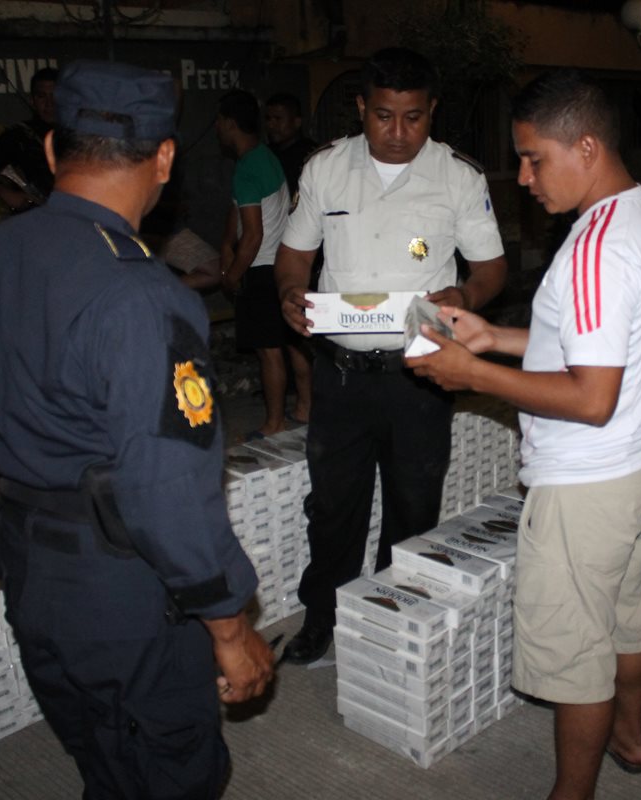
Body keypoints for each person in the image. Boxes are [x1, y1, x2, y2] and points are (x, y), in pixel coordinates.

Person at [0, 60, 274, 799]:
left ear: (53, 152)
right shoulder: (142, 298)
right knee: (171, 765)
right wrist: (228, 626)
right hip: (120, 587)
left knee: (99, 752)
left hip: (28, 570)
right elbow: (166, 488)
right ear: (165, 158)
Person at [405, 70, 641, 800]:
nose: (522, 178)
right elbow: (591, 347)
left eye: (533, 158)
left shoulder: (594, 252)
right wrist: (493, 336)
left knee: (576, 656)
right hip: (635, 469)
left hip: (585, 487)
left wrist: (470, 373)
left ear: (585, 147)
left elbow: (590, 397)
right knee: (626, 619)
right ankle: (630, 736)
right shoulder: (639, 215)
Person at [274, 46, 508, 664]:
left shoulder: (459, 177)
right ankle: (321, 619)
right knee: (332, 508)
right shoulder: (324, 169)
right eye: (383, 116)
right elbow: (295, 253)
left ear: (432, 112)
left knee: (413, 504)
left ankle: (387, 620)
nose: (398, 132)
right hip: (342, 375)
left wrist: (466, 293)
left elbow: (491, 267)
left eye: (413, 117)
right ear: (360, 108)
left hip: (421, 374)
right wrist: (289, 291)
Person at [215, 89, 311, 437]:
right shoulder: (264, 157)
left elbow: (252, 234)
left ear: (228, 124)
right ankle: (304, 406)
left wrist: (231, 275)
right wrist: (227, 245)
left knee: (269, 353)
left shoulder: (247, 167)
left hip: (262, 268)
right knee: (292, 342)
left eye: (219, 121)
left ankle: (274, 422)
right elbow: (240, 216)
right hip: (283, 262)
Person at [0, 67, 59, 214]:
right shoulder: (19, 136)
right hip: (35, 220)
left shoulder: (82, 135)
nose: (49, 104)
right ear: (32, 100)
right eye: (42, 96)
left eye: (55, 96)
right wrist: (4, 192)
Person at [264, 92, 317, 199]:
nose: (271, 125)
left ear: (297, 122)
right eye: (268, 119)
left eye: (278, 119)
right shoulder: (267, 154)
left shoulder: (311, 155)